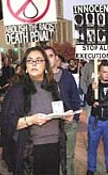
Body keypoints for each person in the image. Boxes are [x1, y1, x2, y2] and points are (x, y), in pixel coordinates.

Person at [0, 46, 70, 175]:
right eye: (30, 60)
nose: (34, 64)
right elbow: (7, 122)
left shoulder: (53, 86)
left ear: (45, 65)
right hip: (31, 150)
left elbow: (59, 109)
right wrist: (31, 120)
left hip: (54, 146)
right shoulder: (17, 90)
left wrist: (65, 116)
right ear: (25, 65)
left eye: (38, 60)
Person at [44, 46, 81, 175]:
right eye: (45, 56)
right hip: (49, 125)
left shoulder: (67, 76)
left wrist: (74, 119)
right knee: (51, 159)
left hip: (68, 124)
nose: (48, 59)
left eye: (50, 56)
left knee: (68, 157)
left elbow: (76, 99)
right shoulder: (40, 78)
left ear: (56, 58)